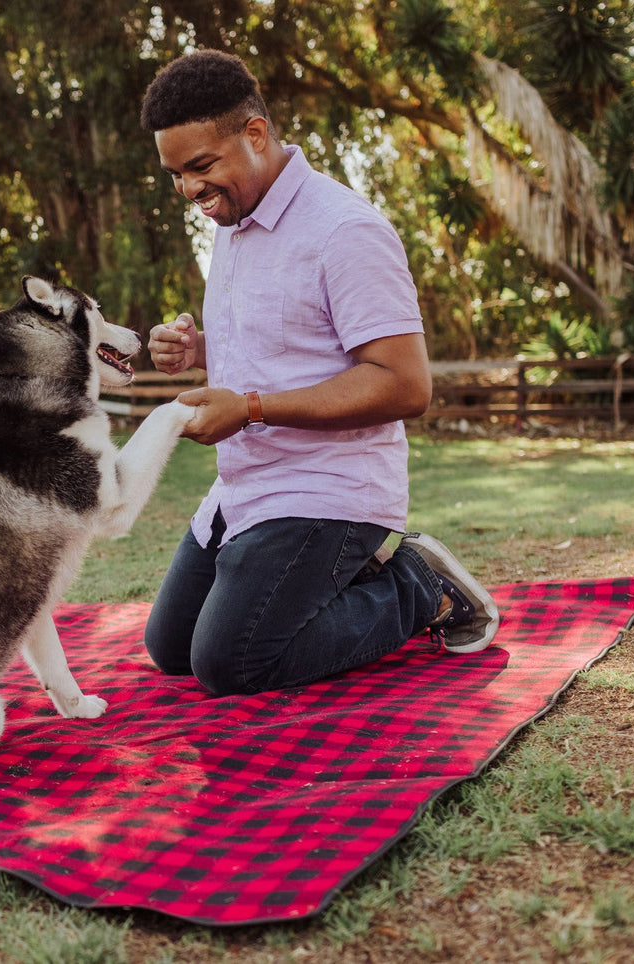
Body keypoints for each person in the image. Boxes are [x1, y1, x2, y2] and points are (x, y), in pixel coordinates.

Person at [138, 50, 499, 697]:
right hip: (243, 488)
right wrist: (196, 349)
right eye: (174, 174)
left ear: (253, 134)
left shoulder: (344, 230)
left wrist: (248, 407)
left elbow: (404, 384)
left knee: (232, 663)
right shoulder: (230, 224)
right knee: (171, 650)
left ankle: (415, 585)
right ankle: (347, 578)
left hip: (326, 488)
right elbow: (281, 345)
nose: (187, 188)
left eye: (199, 167)